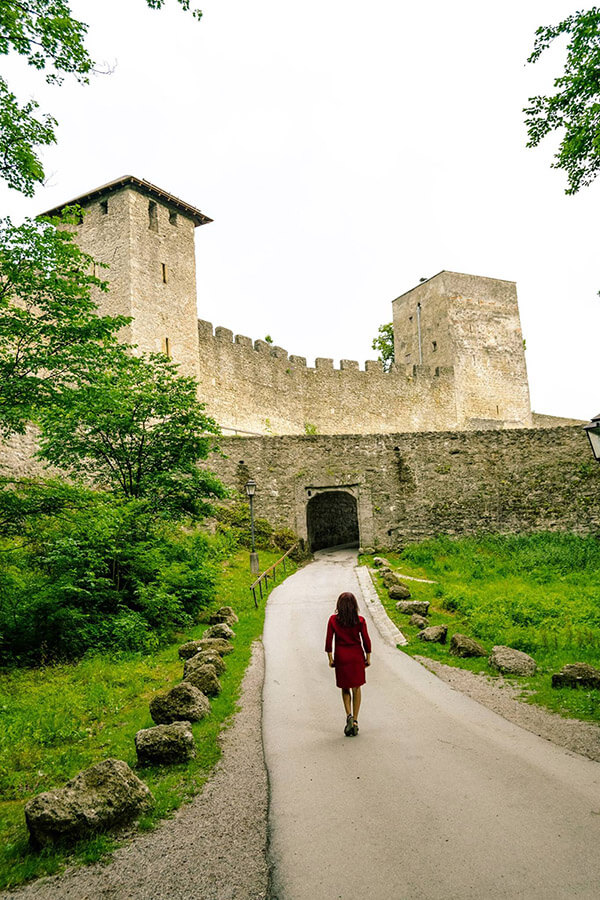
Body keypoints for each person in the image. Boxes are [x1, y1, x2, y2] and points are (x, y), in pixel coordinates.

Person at [325, 591, 372, 737]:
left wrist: (330, 659)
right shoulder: (360, 620)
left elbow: (328, 641)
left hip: (342, 657)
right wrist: (368, 657)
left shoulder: (333, 620)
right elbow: (366, 640)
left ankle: (349, 716)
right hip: (356, 657)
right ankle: (356, 721)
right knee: (356, 688)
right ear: (354, 606)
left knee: (345, 688)